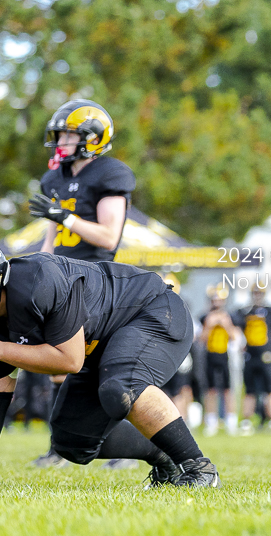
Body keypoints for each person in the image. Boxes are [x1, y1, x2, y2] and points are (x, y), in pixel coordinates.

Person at [0, 251, 220, 488]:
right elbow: (3, 383)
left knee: (122, 386)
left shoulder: (38, 280)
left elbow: (69, 361)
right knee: (72, 442)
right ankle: (163, 452)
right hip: (101, 346)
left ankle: (199, 468)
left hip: (152, 311)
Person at [28, 99, 136, 469]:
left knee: (107, 366)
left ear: (92, 137)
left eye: (69, 133)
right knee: (59, 361)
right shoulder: (54, 177)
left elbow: (108, 236)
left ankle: (124, 446)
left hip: (95, 278)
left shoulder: (110, 173)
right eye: (60, 133)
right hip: (60, 278)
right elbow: (51, 239)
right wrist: (38, 271)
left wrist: (64, 215)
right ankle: (59, 446)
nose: (62, 140)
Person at [233, 285, 271, 436]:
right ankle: (247, 421)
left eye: (260, 293)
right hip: (250, 354)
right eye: (255, 293)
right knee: (249, 389)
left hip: (267, 353)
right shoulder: (244, 312)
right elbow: (236, 329)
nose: (257, 296)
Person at [200, 286, 240, 436]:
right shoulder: (204, 316)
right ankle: (211, 421)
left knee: (228, 390)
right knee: (210, 390)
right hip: (210, 355)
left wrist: (226, 325)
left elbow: (236, 338)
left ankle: (231, 421)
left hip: (225, 356)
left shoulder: (230, 316)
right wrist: (209, 326)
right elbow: (201, 339)